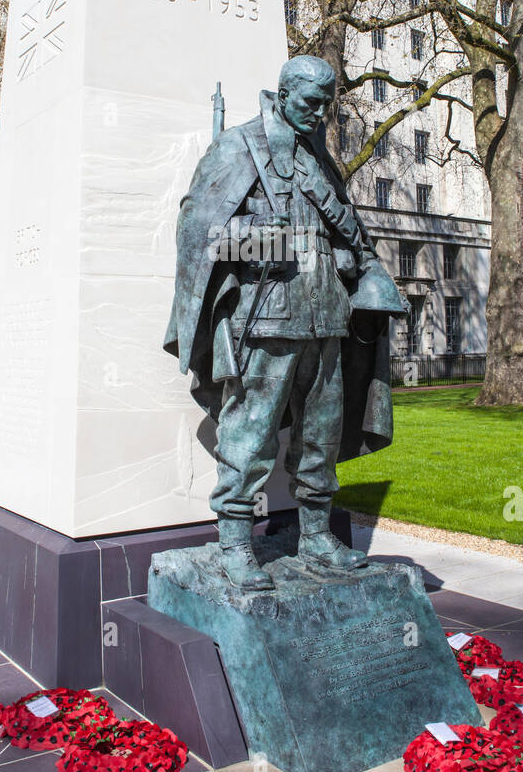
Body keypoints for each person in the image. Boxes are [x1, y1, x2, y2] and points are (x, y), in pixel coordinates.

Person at [164, 55, 403, 591]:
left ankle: (316, 536)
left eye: (326, 106)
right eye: (309, 103)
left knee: (321, 435)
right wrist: (264, 238)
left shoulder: (319, 160)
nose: (319, 115)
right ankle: (234, 544)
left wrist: (346, 262)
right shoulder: (237, 146)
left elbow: (349, 235)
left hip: (326, 319)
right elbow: (197, 234)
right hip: (266, 320)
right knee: (249, 436)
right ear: (283, 92)